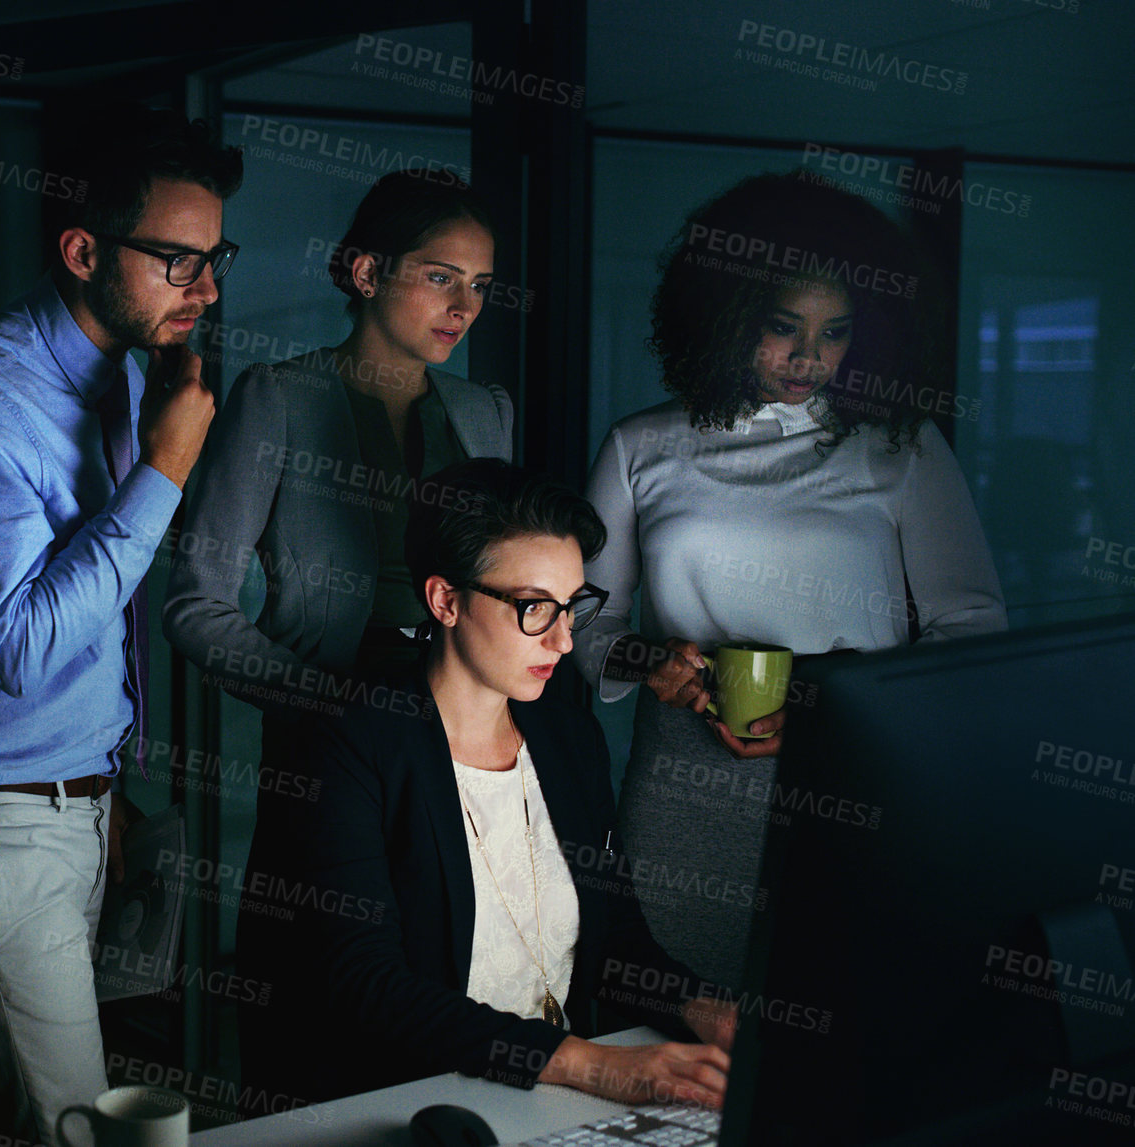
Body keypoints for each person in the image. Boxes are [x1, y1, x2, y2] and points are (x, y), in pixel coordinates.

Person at [0, 107, 243, 1144]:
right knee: (73, 1128)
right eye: (178, 260)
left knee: (34, 1115)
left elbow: (89, 627)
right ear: (83, 251)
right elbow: (21, 654)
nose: (206, 290)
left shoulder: (123, 374)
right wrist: (165, 470)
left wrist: (101, 780)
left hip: (70, 804)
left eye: (215, 260)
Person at [573, 171, 1007, 988]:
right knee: (675, 1019)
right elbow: (584, 625)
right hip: (686, 784)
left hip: (853, 770)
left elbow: (971, 628)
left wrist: (836, 701)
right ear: (722, 314)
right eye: (782, 327)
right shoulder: (641, 447)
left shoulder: (901, 446)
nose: (810, 357)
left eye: (836, 332)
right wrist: (651, 664)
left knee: (846, 1017)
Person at [238, 459, 736, 1109]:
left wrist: (707, 1010)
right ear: (446, 600)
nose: (563, 640)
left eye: (573, 607)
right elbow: (366, 984)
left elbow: (618, 939)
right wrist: (591, 1063)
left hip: (545, 1099)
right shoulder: (344, 742)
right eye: (533, 608)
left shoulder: (569, 740)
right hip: (408, 1101)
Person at [164, 167, 512, 720]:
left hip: (460, 723)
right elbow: (197, 608)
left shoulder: (485, 412)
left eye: (480, 285)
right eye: (442, 278)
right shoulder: (278, 398)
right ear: (369, 272)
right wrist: (327, 701)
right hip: (324, 730)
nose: (464, 307)